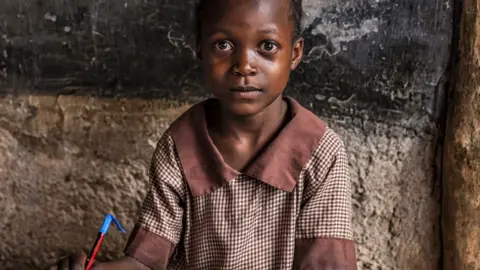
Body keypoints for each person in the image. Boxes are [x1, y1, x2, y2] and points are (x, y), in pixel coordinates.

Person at [49, 0, 357, 269]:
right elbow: (146, 262)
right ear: (199, 48)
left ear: (295, 52)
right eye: (223, 45)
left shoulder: (319, 152)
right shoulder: (181, 144)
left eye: (267, 46)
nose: (244, 66)